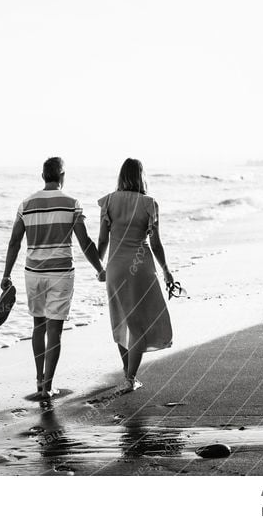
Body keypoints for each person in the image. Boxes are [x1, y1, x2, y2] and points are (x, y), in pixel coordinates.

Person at [1, 157, 106, 400]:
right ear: (62, 176)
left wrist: (6, 274)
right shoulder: (71, 203)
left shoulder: (26, 204)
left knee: (38, 326)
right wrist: (99, 269)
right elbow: (85, 241)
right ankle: (48, 386)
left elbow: (14, 241)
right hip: (60, 274)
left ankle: (39, 380)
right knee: (54, 331)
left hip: (33, 274)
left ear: (43, 176)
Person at [97, 158, 173, 394]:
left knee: (120, 320)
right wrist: (166, 270)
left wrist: (99, 267)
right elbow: (156, 243)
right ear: (142, 177)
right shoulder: (149, 204)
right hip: (141, 269)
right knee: (139, 324)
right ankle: (130, 377)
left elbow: (101, 241)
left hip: (116, 269)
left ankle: (127, 373)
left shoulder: (108, 201)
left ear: (121, 176)